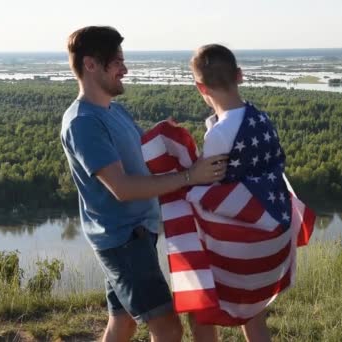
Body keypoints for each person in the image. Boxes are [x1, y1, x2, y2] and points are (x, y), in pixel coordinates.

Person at [60, 26, 228, 342]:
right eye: (117, 62)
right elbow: (122, 187)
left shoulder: (113, 111)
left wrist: (162, 134)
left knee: (122, 323)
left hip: (136, 234)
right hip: (124, 241)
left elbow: (141, 156)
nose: (125, 69)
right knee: (167, 329)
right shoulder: (83, 122)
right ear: (91, 64)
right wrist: (192, 177)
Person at [188, 43, 276, 342]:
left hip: (231, 243)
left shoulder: (220, 134)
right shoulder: (262, 120)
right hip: (265, 234)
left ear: (201, 87)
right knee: (254, 316)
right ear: (239, 75)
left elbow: (208, 189)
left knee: (201, 311)